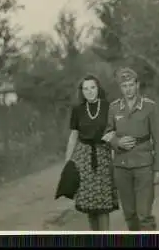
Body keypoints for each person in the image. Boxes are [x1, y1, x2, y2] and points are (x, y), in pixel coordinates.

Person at [102, 67, 159, 231]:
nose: (128, 89)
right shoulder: (114, 108)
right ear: (120, 88)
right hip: (122, 166)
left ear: (137, 85)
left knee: (144, 214)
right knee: (129, 214)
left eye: (131, 85)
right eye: (124, 86)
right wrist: (117, 142)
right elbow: (107, 133)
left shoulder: (149, 107)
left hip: (144, 166)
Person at [64, 74, 119, 231]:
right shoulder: (77, 110)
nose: (89, 91)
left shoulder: (109, 107)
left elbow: (117, 130)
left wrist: (114, 139)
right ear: (81, 91)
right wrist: (68, 161)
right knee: (90, 203)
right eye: (85, 89)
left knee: (103, 203)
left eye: (92, 88)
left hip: (103, 155)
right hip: (84, 156)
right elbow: (73, 136)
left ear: (98, 88)